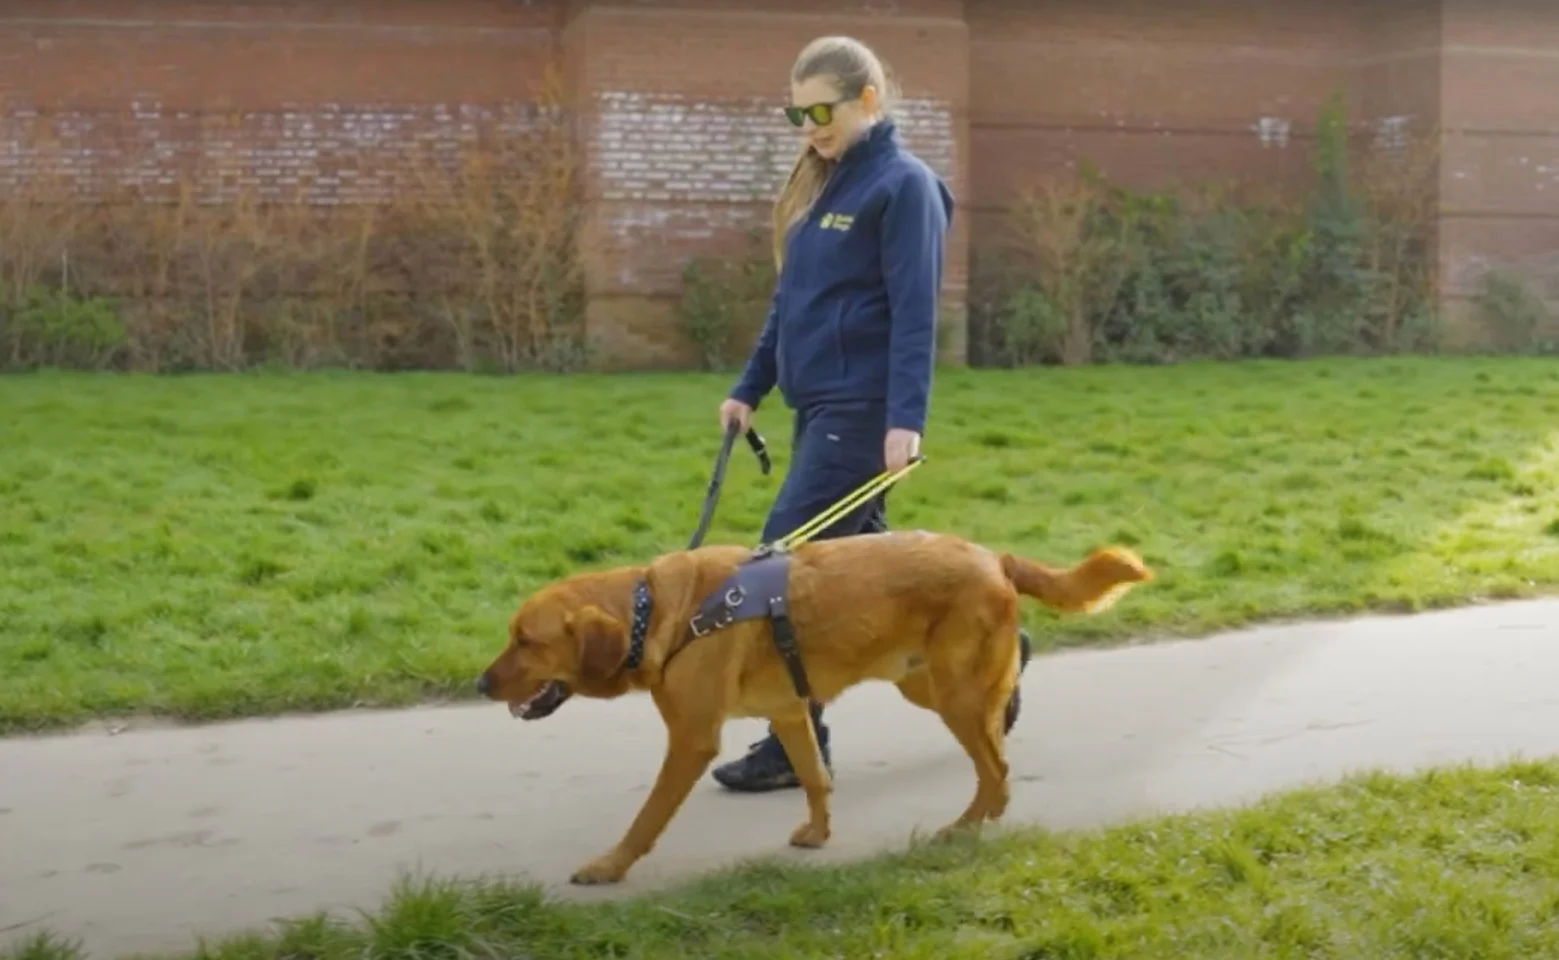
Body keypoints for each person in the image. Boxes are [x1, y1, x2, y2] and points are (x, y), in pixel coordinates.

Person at [710, 35, 1033, 794]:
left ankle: (795, 748)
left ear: (867, 100)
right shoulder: (826, 188)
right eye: (796, 112)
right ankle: (999, 648)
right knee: (883, 575)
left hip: (858, 414)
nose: (807, 126)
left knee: (777, 567)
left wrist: (903, 419)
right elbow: (790, 304)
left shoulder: (902, 186)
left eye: (819, 109)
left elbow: (915, 311)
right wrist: (749, 385)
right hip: (815, 405)